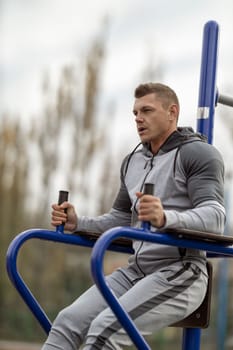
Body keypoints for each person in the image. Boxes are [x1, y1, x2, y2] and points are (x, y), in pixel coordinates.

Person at [42, 82, 225, 350]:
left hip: (181, 271)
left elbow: (215, 217)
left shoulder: (196, 154)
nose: (139, 118)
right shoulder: (132, 162)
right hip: (136, 271)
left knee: (105, 331)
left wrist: (165, 217)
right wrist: (77, 223)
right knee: (66, 322)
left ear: (172, 112)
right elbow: (119, 220)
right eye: (135, 113)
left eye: (147, 110)